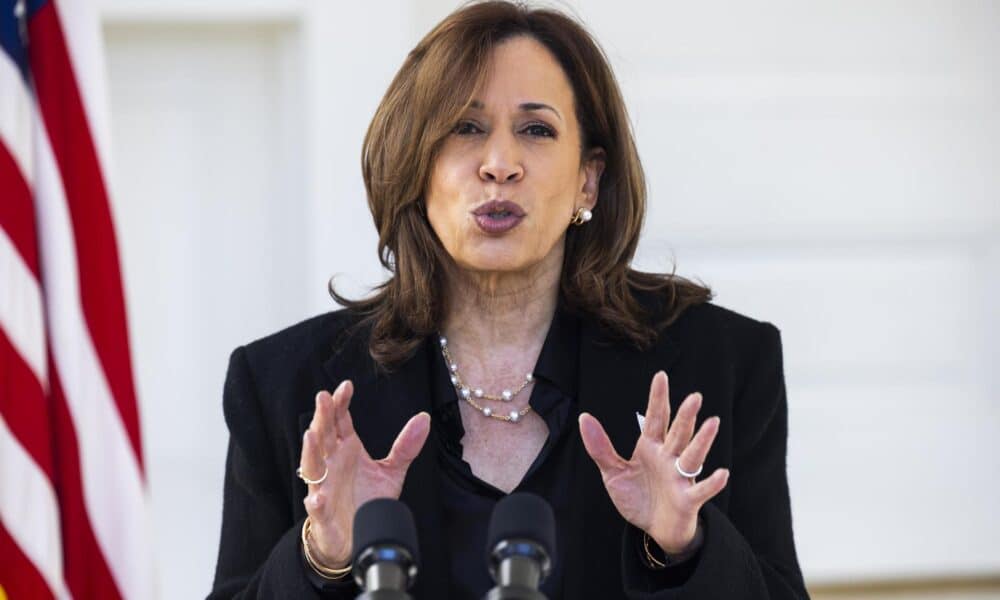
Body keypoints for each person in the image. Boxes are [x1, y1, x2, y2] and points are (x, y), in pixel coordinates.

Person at [208, 2, 809, 598]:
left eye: (536, 129)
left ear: (588, 179)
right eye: (465, 128)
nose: (499, 165)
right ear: (417, 166)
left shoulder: (721, 365)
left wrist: (684, 548)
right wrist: (323, 557)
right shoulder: (284, 384)